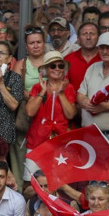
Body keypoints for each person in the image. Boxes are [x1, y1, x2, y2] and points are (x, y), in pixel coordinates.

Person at [25, 51, 79, 181]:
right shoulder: (37, 87)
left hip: (59, 143)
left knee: (58, 182)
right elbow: (30, 112)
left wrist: (61, 93)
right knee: (32, 182)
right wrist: (42, 92)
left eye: (61, 66)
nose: (57, 69)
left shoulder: (69, 88)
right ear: (45, 69)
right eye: (53, 66)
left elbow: (70, 114)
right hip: (37, 142)